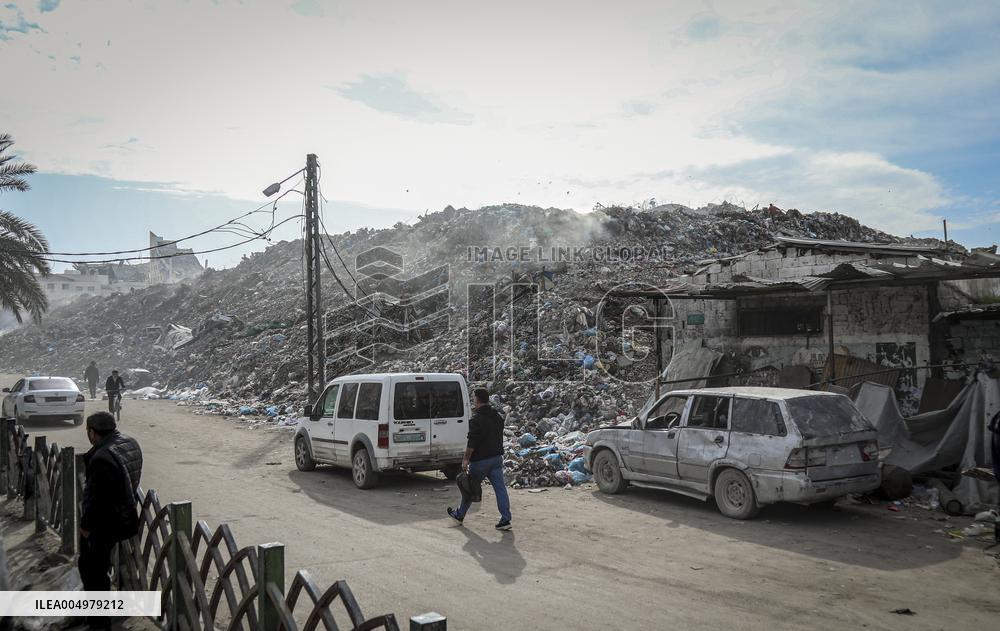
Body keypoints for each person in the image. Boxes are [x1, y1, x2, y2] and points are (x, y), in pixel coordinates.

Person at [78, 412, 143, 625]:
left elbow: (98, 499)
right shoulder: (130, 443)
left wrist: (86, 527)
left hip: (107, 523)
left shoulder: (102, 458)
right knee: (103, 568)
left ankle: (99, 621)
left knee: (93, 572)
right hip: (127, 514)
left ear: (92, 433)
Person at [448, 388, 512, 530]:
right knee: (500, 489)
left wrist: (465, 460)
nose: (472, 400)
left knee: (469, 487)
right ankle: (506, 519)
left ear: (477, 399)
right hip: (496, 458)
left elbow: (472, 443)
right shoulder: (496, 416)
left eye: (473, 398)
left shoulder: (476, 419)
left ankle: (459, 515)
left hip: (481, 461)